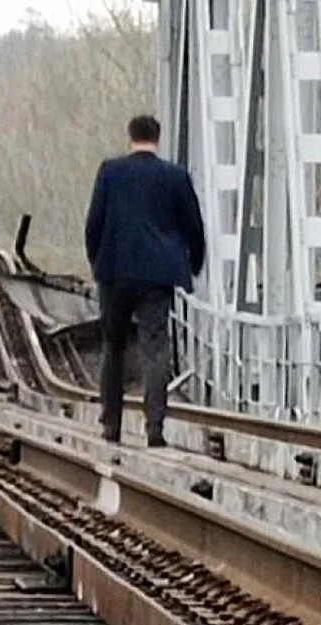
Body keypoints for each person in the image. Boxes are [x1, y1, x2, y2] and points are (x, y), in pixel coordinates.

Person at [84, 115, 205, 448]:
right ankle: (154, 427)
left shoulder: (110, 171)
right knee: (156, 347)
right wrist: (193, 264)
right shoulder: (175, 176)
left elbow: (94, 223)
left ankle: (111, 424)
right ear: (158, 137)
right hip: (158, 274)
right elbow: (193, 226)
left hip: (115, 271)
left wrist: (97, 261)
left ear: (130, 135)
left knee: (114, 346)